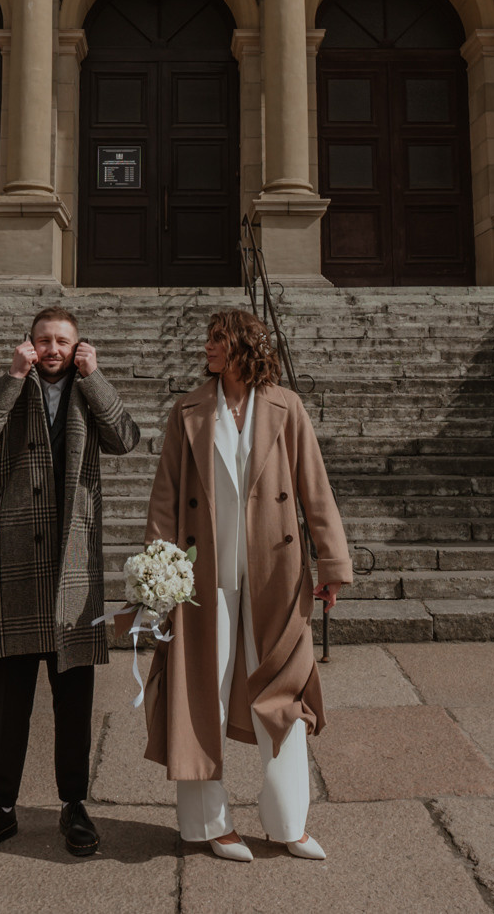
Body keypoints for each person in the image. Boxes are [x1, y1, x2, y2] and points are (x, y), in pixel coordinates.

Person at [138, 309, 352, 862]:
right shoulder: (187, 410)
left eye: (217, 340)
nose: (207, 349)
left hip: (274, 577)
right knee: (198, 693)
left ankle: (288, 823)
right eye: (207, 340)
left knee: (283, 696)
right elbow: (165, 497)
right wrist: (160, 570)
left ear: (243, 348)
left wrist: (332, 565)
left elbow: (315, 491)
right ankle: (208, 824)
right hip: (201, 578)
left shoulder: (286, 407)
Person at [0, 306, 141, 860]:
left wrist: (97, 377)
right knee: (8, 697)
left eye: (63, 341)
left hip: (73, 566)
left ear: (79, 346)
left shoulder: (88, 388)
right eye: (44, 340)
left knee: (74, 700)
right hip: (13, 561)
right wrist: (12, 377)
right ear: (29, 345)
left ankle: (74, 806)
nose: (54, 349)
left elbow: (126, 438)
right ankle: (0, 809)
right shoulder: (14, 387)